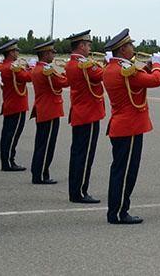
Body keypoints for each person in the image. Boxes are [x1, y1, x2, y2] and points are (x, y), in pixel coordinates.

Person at [103, 29, 160, 224]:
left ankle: (117, 210)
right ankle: (120, 212)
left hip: (121, 125)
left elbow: (135, 84)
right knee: (126, 173)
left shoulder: (113, 68)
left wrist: (145, 68)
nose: (133, 48)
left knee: (120, 170)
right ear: (123, 49)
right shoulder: (125, 70)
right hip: (129, 126)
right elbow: (156, 81)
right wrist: (157, 65)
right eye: (130, 45)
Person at [64, 30, 104, 204]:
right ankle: (79, 192)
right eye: (88, 45)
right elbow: (101, 75)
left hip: (82, 113)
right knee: (84, 155)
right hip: (88, 114)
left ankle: (76, 190)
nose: (89, 48)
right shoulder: (83, 65)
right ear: (81, 45)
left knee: (78, 154)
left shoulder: (73, 63)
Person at [29, 40, 67, 184]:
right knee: (46, 146)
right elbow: (63, 82)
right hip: (49, 110)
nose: (53, 54)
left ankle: (38, 173)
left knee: (41, 144)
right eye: (51, 52)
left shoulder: (40, 69)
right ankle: (41, 174)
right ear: (45, 54)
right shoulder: (46, 71)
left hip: (44, 109)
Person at [0, 39, 32, 171]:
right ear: (11, 52)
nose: (17, 53)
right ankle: (9, 162)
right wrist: (31, 67)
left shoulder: (6, 66)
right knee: (12, 136)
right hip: (17, 105)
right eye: (16, 50)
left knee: (7, 135)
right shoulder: (12, 67)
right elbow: (28, 77)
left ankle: (7, 161)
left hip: (11, 104)